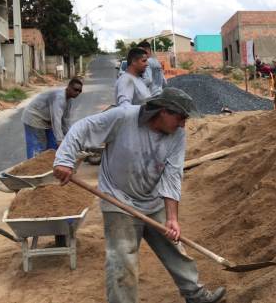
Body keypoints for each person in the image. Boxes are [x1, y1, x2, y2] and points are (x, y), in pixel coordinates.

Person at [52, 88, 225, 303]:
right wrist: (65, 160)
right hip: (117, 199)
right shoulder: (123, 117)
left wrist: (172, 218)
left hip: (152, 200)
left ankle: (196, 295)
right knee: (122, 260)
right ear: (163, 112)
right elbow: (82, 128)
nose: (182, 124)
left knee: (174, 248)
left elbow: (172, 175)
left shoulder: (177, 136)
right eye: (180, 117)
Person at [21, 78, 83, 158]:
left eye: (79, 91)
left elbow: (66, 121)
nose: (77, 93)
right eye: (75, 90)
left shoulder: (69, 101)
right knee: (38, 147)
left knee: (53, 145)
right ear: (68, 87)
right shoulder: (59, 97)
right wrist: (60, 140)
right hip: (34, 117)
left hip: (46, 120)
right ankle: (33, 168)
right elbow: (56, 120)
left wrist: (70, 137)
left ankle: (49, 167)